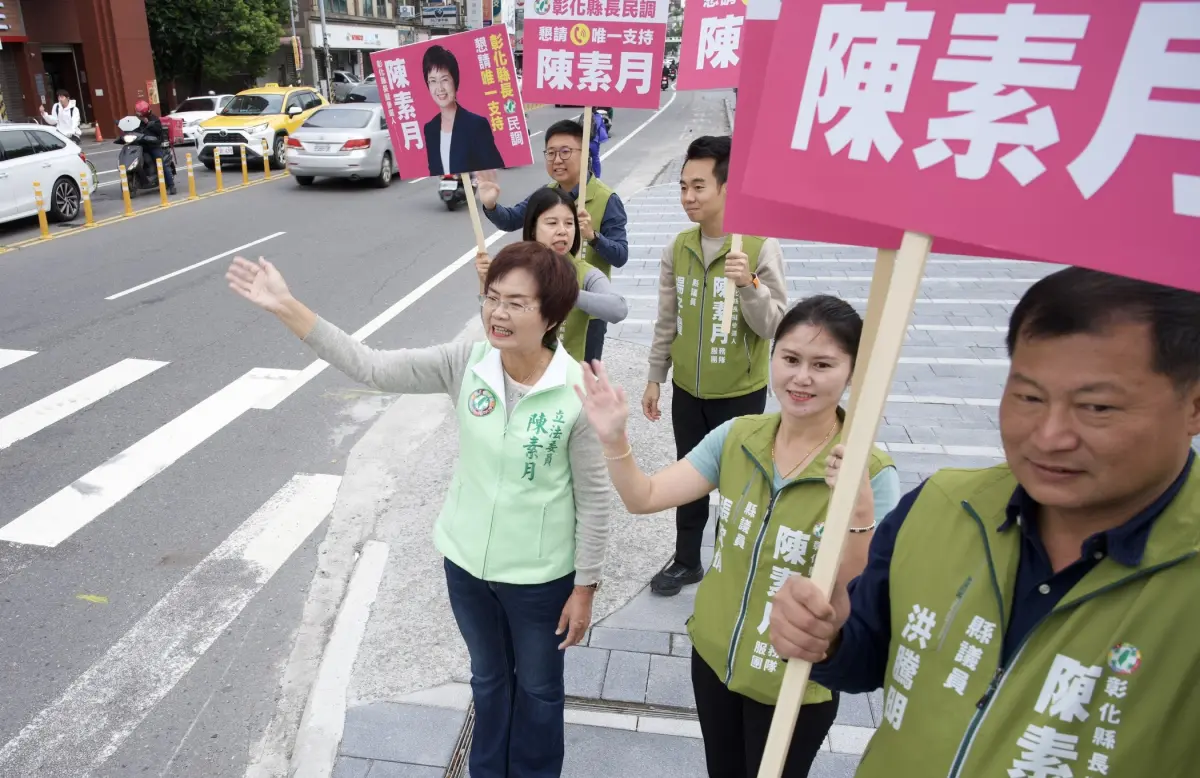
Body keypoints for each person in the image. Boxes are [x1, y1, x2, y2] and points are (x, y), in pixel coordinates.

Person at [769, 268, 1200, 777]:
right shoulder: (942, 505)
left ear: (1193, 405)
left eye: (1096, 407)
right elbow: (865, 655)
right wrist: (827, 634)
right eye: (1028, 396)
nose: (1049, 435)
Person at [225, 243, 612, 778]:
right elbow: (374, 367)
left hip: (540, 579)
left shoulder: (577, 392)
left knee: (540, 690)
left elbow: (594, 498)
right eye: (492, 298)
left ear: (552, 315)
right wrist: (290, 308)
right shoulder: (466, 362)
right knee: (489, 681)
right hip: (467, 567)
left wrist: (585, 586)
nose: (498, 314)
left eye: (516, 303)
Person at [576, 296, 901, 778]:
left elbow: (856, 609)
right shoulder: (737, 437)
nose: (802, 377)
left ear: (852, 373)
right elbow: (643, 497)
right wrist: (613, 440)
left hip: (793, 682)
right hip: (713, 660)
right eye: (790, 359)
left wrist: (857, 513)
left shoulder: (870, 473)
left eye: (823, 364)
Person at [645, 135, 789, 597]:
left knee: (736, 486)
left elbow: (775, 327)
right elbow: (668, 318)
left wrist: (749, 283)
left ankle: (731, 566)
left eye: (699, 186)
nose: (688, 197)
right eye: (683, 187)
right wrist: (655, 376)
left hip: (740, 391)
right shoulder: (679, 247)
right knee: (689, 477)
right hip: (688, 389)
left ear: (728, 187)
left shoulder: (759, 247)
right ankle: (687, 560)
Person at [477, 118, 630, 362]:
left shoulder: (606, 199)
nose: (557, 160)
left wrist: (592, 236)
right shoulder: (547, 194)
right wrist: (491, 204)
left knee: (581, 377)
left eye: (565, 152)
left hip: (586, 314)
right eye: (550, 153)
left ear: (584, 154)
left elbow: (620, 256)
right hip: (542, 309)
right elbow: (512, 219)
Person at [421, 44, 506, 176]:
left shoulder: (476, 125)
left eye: (444, 80)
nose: (439, 88)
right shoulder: (430, 129)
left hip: (472, 191)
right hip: (448, 192)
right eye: (432, 81)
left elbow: (492, 167)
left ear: (455, 81)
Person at [134, 99, 176, 196]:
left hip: (153, 145)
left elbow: (158, 130)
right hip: (141, 145)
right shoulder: (137, 121)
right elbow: (133, 128)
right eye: (137, 113)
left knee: (160, 163)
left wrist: (148, 123)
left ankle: (171, 185)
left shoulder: (154, 119)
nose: (138, 115)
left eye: (139, 113)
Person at [590, 110, 608, 179]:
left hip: (584, 141)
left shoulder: (584, 115)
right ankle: (597, 177)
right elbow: (602, 130)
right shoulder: (598, 117)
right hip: (594, 142)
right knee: (595, 158)